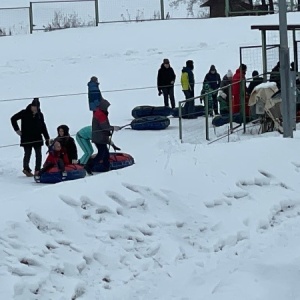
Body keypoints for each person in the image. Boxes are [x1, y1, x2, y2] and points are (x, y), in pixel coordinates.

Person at [11, 98, 50, 177]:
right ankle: (26, 169)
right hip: (27, 138)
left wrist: (47, 138)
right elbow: (13, 119)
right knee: (27, 153)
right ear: (31, 106)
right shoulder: (24, 113)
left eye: (36, 107)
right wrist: (17, 130)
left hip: (37, 138)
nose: (35, 108)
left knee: (38, 154)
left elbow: (43, 127)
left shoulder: (40, 115)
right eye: (34, 106)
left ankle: (37, 170)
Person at [84, 100, 121, 175]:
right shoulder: (100, 115)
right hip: (99, 138)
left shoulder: (99, 113)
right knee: (101, 154)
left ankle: (106, 168)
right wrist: (113, 128)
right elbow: (104, 127)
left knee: (105, 153)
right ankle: (89, 166)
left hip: (99, 137)